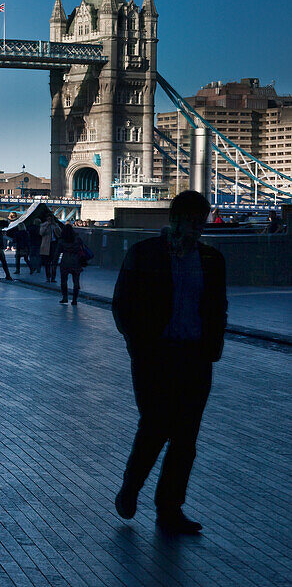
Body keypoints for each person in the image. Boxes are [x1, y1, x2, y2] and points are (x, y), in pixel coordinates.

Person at [111, 190, 227, 535]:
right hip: (155, 356)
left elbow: (217, 306)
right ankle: (131, 489)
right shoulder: (143, 254)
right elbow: (122, 305)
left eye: (200, 222)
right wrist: (140, 346)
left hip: (195, 356)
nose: (197, 229)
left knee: (186, 439)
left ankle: (169, 509)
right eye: (191, 221)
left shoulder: (211, 260)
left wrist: (213, 346)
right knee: (155, 426)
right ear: (175, 218)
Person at [57, 223, 85, 305]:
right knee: (76, 281)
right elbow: (82, 248)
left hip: (65, 261)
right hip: (76, 261)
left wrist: (54, 262)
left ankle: (65, 297)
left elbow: (58, 252)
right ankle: (74, 300)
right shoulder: (77, 239)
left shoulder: (62, 240)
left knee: (64, 280)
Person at [41, 217, 61, 283]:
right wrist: (46, 226)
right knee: (47, 263)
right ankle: (48, 277)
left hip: (54, 244)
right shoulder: (44, 225)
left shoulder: (55, 225)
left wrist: (56, 226)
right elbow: (41, 233)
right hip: (47, 245)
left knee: (54, 262)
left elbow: (59, 233)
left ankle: (53, 277)